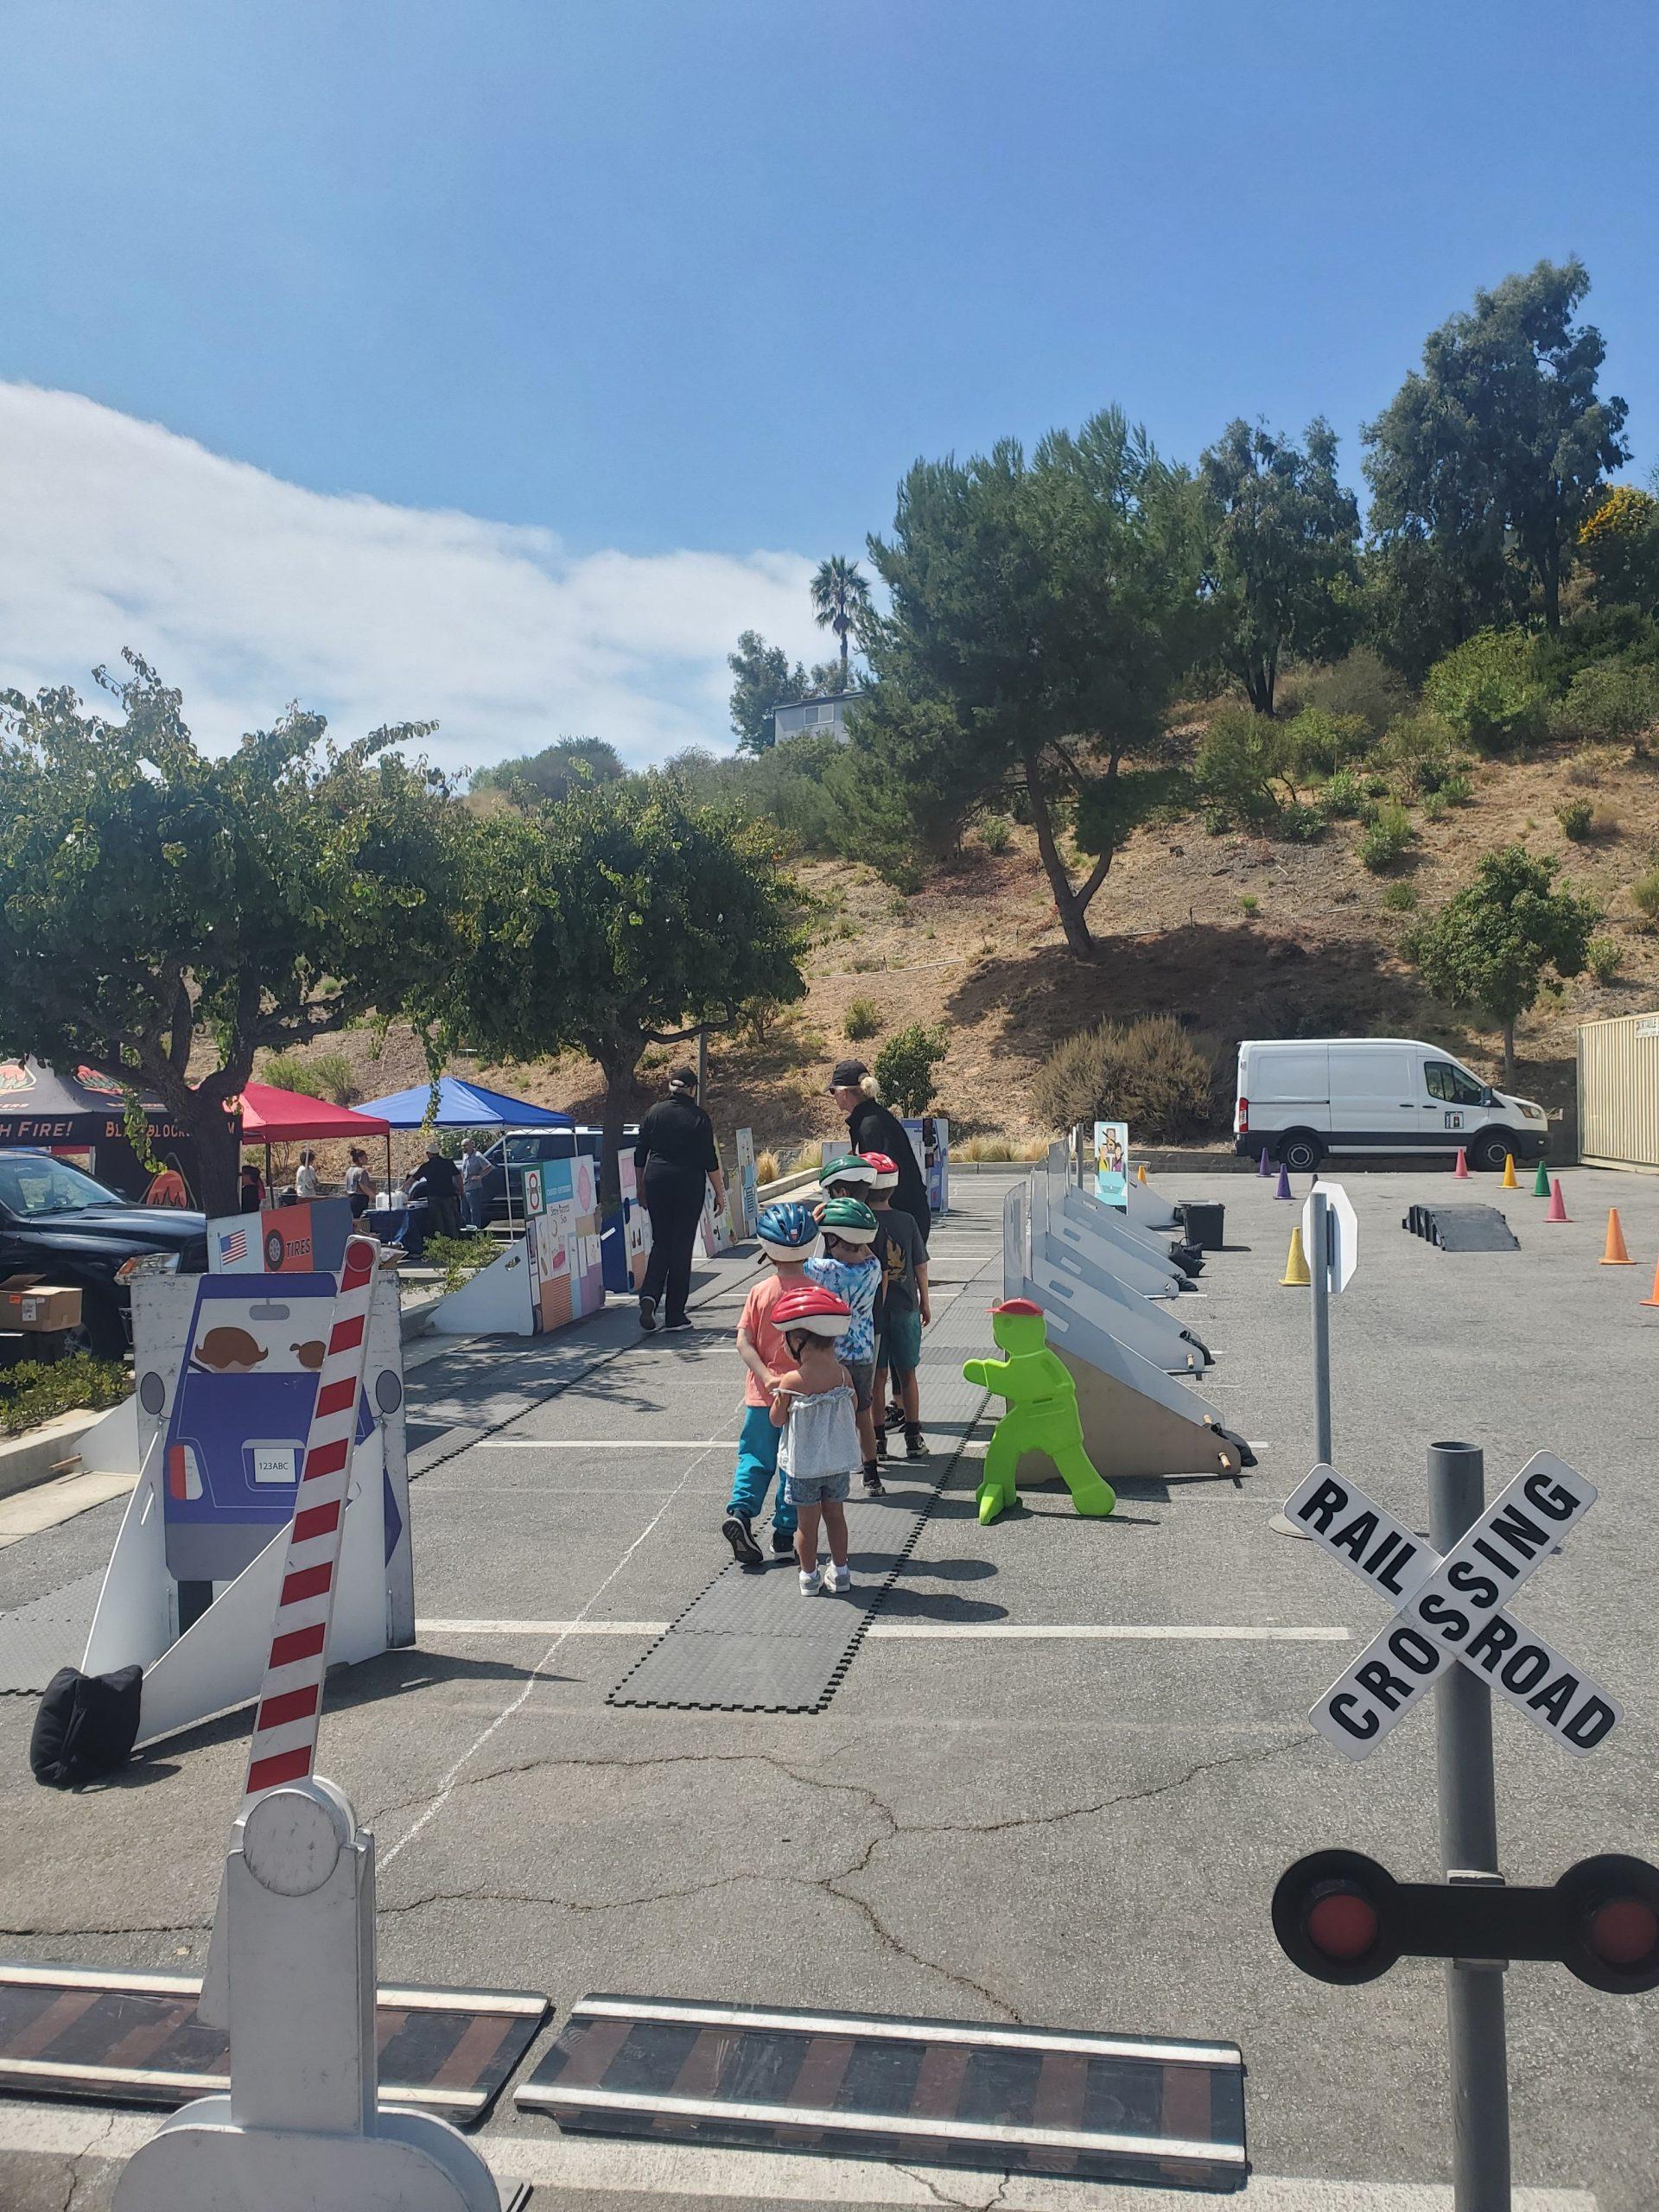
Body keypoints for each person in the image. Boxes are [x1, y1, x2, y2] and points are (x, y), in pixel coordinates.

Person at [721, 1201, 821, 1567]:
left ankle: (741, 1513)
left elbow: (743, 1342)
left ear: (766, 1247)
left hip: (761, 1398)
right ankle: (785, 1532)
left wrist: (765, 1377)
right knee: (794, 1465)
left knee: (755, 1458)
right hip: (802, 1397)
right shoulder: (816, 1292)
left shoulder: (760, 1292)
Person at [767, 1284, 859, 1596]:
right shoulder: (843, 1374)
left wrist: (780, 1398)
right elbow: (855, 1406)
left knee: (806, 1524)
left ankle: (809, 1576)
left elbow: (777, 1420)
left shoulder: (792, 1381)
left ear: (798, 1339)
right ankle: (842, 1571)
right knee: (836, 1516)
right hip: (836, 1463)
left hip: (804, 1467)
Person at [633, 1066, 725, 1332]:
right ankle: (675, 1315)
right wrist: (719, 1193)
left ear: (670, 1087)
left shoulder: (653, 1112)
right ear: (692, 1090)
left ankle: (649, 1295)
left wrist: (641, 1187)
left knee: (661, 1241)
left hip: (657, 1179)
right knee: (682, 1245)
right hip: (688, 1183)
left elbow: (640, 1153)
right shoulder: (699, 1117)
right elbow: (710, 1160)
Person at [805, 1195, 884, 1495]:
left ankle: (831, 1473)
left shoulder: (826, 1271)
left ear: (834, 1241)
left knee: (829, 1415)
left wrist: (814, 1227)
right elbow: (861, 1250)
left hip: (831, 1356)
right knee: (862, 1412)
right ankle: (872, 1473)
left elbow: (798, 1261)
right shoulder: (873, 1267)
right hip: (863, 1354)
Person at [863, 1151, 931, 1461]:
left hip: (872, 1312)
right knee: (908, 1374)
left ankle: (878, 1440)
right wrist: (924, 1302)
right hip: (906, 1308)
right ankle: (914, 1438)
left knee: (877, 1378)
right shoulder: (907, 1221)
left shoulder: (861, 1222)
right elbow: (920, 1266)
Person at [829, 1059, 931, 1248]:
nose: (833, 1096)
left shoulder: (870, 1126)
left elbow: (880, 1181)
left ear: (843, 1093)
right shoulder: (873, 1119)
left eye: (832, 1091)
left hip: (900, 1224)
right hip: (908, 1219)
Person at [407, 1141, 462, 1240]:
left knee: (438, 1223)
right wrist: (461, 1191)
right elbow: (459, 1177)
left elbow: (412, 1179)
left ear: (429, 1154)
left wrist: (402, 1189)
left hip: (434, 1198)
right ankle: (455, 1242)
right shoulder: (448, 1163)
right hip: (449, 1196)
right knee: (451, 1221)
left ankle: (440, 1244)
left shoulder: (426, 1166)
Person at [459, 1136, 492, 1230]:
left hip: (474, 1188)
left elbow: (489, 1167)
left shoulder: (478, 1156)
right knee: (464, 1211)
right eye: (462, 1146)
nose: (463, 1148)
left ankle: (476, 1232)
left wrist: (480, 1176)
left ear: (471, 1145)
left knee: (475, 1211)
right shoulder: (465, 1155)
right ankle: (467, 1233)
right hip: (465, 1187)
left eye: (465, 1145)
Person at [345, 1147, 377, 1219]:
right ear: (360, 1159)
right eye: (365, 1157)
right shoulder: (361, 1171)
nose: (367, 1159)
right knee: (358, 1221)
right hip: (359, 1199)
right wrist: (374, 1197)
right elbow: (364, 1187)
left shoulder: (349, 1170)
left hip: (350, 1198)